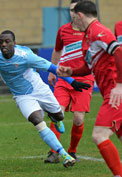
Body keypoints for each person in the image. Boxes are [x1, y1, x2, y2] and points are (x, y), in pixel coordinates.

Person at [0, 16, 91, 168]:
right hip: (22, 96)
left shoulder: (26, 56)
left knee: (59, 115)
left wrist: (72, 81)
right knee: (37, 121)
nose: (3, 45)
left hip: (38, 88)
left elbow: (52, 68)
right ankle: (64, 154)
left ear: (14, 43)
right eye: (1, 42)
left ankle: (56, 118)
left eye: (7, 41)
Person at [57, 1, 122, 176]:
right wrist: (72, 71)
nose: (72, 21)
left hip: (115, 95)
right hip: (111, 93)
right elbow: (89, 66)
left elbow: (119, 52)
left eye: (74, 16)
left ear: (80, 15)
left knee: (99, 135)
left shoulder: (98, 31)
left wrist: (120, 85)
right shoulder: (87, 35)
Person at [45, 0, 94, 163]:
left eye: (76, 10)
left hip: (84, 80)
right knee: (56, 113)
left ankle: (72, 151)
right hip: (64, 80)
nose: (73, 13)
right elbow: (57, 50)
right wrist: (52, 71)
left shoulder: (91, 31)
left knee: (78, 119)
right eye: (71, 9)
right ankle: (54, 152)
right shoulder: (63, 30)